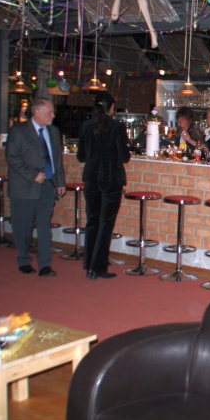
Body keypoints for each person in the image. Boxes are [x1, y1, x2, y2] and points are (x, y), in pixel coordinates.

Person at [5, 97, 66, 277]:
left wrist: (60, 181)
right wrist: (32, 174)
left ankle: (45, 265)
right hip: (24, 186)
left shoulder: (53, 131)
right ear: (37, 112)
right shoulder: (18, 131)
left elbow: (56, 159)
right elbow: (12, 157)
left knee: (44, 225)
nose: (53, 115)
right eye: (50, 112)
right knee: (23, 226)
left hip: (48, 185)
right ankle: (23, 259)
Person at [77, 92, 130, 280]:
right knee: (105, 223)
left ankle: (89, 265)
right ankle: (98, 267)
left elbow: (81, 156)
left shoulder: (86, 126)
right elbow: (124, 157)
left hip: (91, 178)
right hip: (111, 178)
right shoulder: (117, 126)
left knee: (92, 221)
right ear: (111, 107)